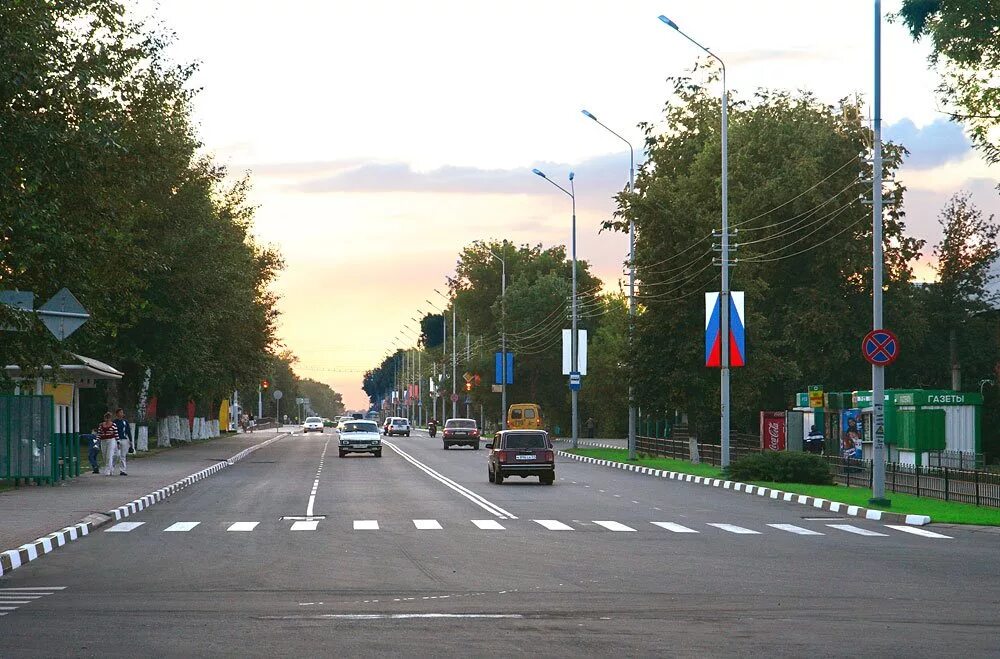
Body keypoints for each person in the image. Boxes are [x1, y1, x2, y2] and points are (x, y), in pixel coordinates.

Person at [112, 408, 131, 475]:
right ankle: (111, 468)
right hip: (116, 439)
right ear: (117, 414)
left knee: (123, 455)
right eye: (120, 412)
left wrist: (130, 440)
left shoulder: (125, 422)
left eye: (122, 412)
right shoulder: (114, 422)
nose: (122, 414)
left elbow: (128, 431)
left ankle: (123, 470)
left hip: (124, 439)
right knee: (116, 455)